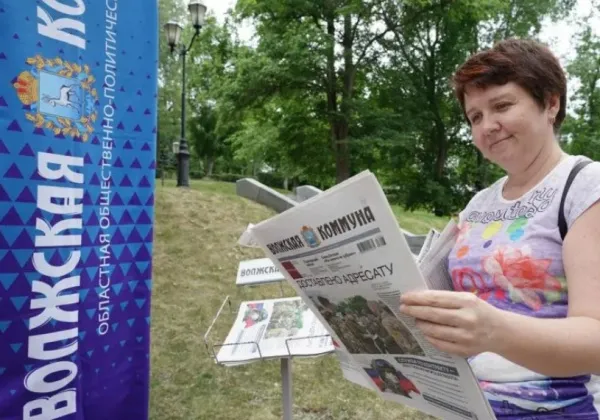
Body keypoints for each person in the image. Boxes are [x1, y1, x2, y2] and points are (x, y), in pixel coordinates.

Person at [399, 38, 600, 419]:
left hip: (559, 408)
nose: (487, 126)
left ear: (551, 103)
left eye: (502, 106)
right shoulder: (479, 204)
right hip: (467, 406)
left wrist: (495, 332)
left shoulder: (586, 187)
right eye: (475, 117)